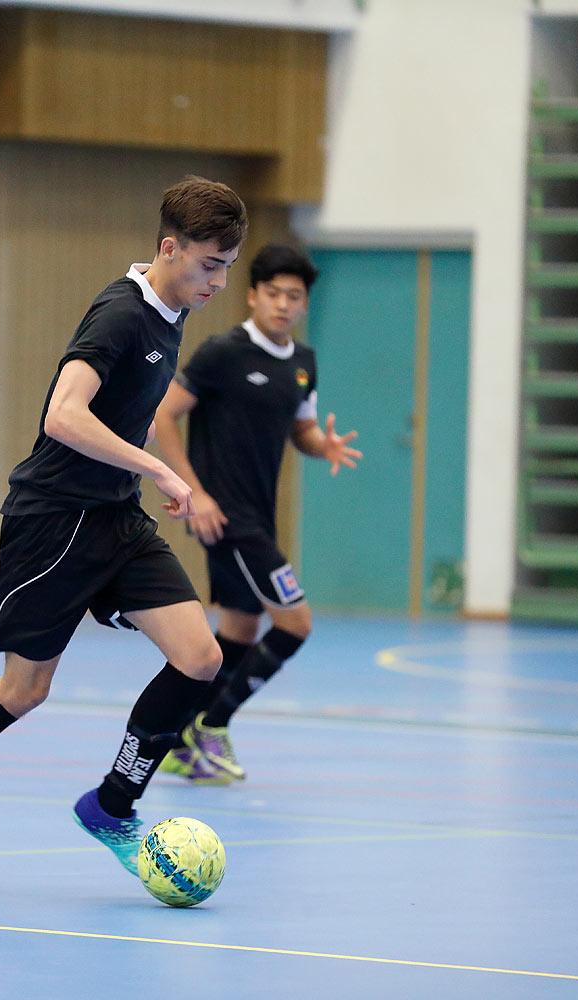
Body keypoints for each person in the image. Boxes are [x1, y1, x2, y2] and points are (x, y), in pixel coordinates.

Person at [0, 176, 248, 893]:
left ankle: (112, 806)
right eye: (209, 264)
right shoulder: (120, 316)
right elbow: (63, 416)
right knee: (23, 689)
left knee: (201, 658)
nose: (220, 281)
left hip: (114, 517)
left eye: (227, 265)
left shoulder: (173, 306)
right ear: (169, 248)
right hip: (52, 522)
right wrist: (162, 470)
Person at [151, 243, 361, 784]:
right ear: (252, 296)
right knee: (295, 623)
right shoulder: (223, 353)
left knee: (240, 630)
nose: (284, 305)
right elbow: (163, 417)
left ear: (305, 304)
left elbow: (302, 429)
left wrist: (324, 445)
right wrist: (194, 493)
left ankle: (176, 740)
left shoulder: (303, 364)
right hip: (226, 519)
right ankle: (211, 727)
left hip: (259, 516)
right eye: (274, 294)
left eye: (295, 296)